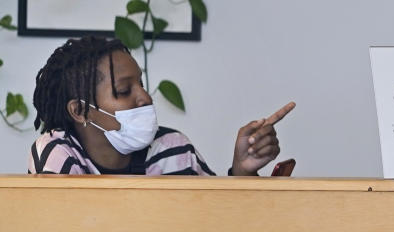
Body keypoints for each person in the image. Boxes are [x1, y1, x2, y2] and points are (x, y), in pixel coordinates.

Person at [29, 36, 294, 176]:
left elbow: (219, 224)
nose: (145, 97)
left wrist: (241, 170)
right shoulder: (58, 153)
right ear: (80, 111)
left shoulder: (173, 148)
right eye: (124, 91)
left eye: (142, 84)